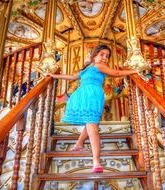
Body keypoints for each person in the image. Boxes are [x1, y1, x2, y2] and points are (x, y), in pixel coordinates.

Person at [48, 44, 137, 173]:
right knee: (93, 127)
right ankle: (96, 161)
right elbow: (73, 76)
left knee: (91, 122)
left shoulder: (95, 67)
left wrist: (55, 76)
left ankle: (78, 144)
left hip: (88, 96)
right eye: (102, 54)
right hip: (88, 96)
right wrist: (55, 76)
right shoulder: (92, 67)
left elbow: (114, 73)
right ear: (94, 55)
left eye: (107, 56)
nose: (105, 58)